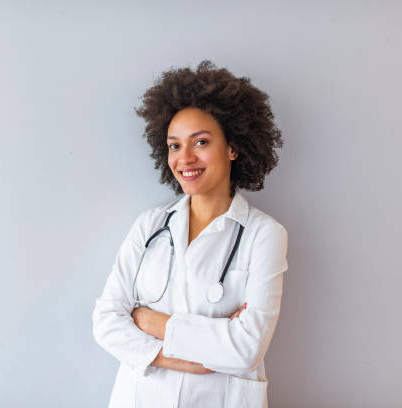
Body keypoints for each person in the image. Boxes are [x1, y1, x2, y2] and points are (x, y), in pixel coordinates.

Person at [92, 60, 288, 408]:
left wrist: (151, 321)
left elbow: (246, 348)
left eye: (200, 142)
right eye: (174, 145)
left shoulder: (264, 235)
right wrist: (177, 358)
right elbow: (106, 321)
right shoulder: (150, 225)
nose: (185, 158)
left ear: (233, 147)